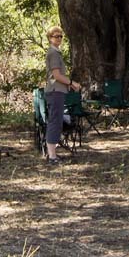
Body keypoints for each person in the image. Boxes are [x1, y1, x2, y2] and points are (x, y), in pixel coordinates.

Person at [44, 25, 82, 164]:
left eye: (60, 36)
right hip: (55, 92)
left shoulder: (56, 52)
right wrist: (72, 82)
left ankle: (53, 154)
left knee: (57, 120)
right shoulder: (53, 53)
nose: (59, 38)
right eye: (55, 36)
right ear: (50, 38)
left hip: (58, 91)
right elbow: (56, 75)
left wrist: (70, 84)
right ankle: (52, 156)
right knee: (55, 122)